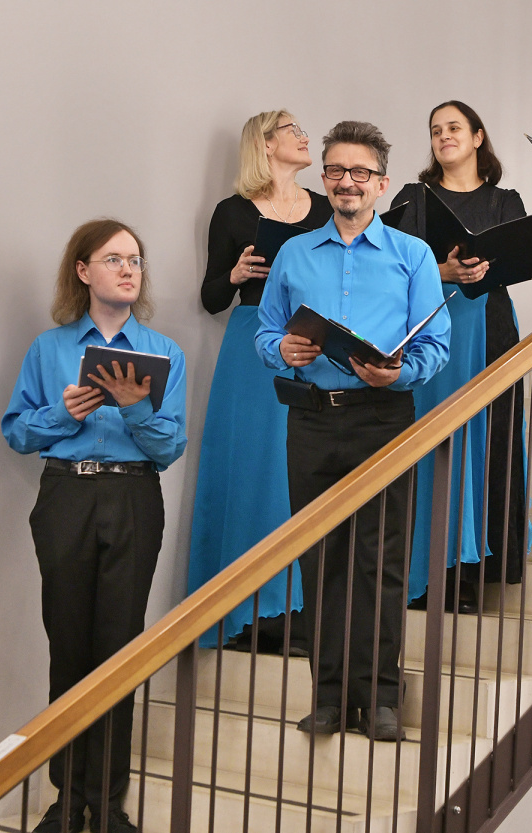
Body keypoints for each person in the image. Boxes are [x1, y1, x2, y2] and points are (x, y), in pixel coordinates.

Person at [256, 121, 450, 741]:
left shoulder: (413, 256)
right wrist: (281, 350)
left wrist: (398, 373)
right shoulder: (294, 254)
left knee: (381, 560)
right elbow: (266, 331)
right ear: (324, 178)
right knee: (320, 558)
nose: (348, 182)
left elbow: (435, 346)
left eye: (361, 172)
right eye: (337, 171)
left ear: (382, 184)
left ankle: (382, 697)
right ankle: (330, 696)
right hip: (311, 419)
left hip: (383, 418)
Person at [2, 219, 187, 833]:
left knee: (119, 650)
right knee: (68, 647)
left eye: (135, 259)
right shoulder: (47, 348)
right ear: (83, 271)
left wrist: (136, 410)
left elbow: (171, 446)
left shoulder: (165, 352)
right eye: (114, 259)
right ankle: (65, 800)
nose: (129, 269)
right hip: (66, 495)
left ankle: (107, 803)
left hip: (134, 496)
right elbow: (17, 432)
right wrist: (62, 413)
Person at [189, 110, 333, 654]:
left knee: (303, 470)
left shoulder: (325, 209)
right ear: (266, 145)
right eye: (293, 130)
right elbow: (210, 298)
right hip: (252, 345)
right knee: (254, 469)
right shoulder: (232, 212)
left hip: (313, 340)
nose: (305, 136)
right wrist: (235, 274)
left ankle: (301, 609)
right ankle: (248, 612)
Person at [391, 101, 532, 614]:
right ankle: (422, 573)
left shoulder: (504, 200)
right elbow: (389, 266)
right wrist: (443, 273)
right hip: (427, 332)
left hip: (489, 330)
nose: (444, 136)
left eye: (454, 127)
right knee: (428, 443)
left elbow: (517, 262)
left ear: (477, 137)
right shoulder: (413, 198)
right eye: (435, 130)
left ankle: (470, 573)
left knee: (483, 443)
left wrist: (480, 270)